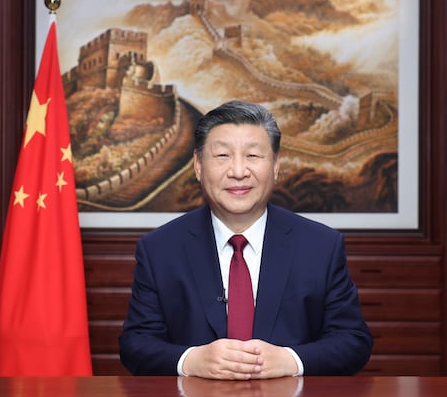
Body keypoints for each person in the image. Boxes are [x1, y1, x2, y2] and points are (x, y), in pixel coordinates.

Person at [119, 100, 373, 379]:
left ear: (275, 165)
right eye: (222, 156)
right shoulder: (160, 249)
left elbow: (353, 341)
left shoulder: (321, 246)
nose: (238, 171)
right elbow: (136, 344)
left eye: (253, 156)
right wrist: (191, 360)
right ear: (198, 166)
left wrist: (290, 360)